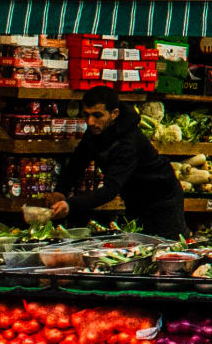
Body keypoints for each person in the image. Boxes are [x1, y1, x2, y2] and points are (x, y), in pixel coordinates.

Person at [57, 90, 183, 236]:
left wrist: (70, 204)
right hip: (134, 197)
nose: (90, 122)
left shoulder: (128, 142)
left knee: (166, 247)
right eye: (86, 115)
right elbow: (77, 162)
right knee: (137, 242)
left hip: (162, 198)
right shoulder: (95, 131)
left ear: (114, 113)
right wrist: (60, 191)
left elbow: (111, 189)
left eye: (97, 115)